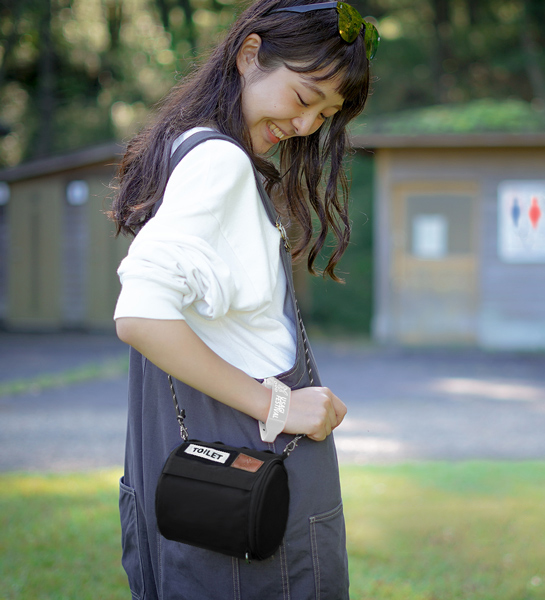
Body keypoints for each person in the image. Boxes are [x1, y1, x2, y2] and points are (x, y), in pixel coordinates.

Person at [109, 1, 378, 598]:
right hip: (252, 490)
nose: (308, 126)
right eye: (305, 98)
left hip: (219, 494)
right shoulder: (220, 164)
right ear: (250, 54)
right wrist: (276, 406)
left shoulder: (189, 150)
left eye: (326, 114)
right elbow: (141, 314)